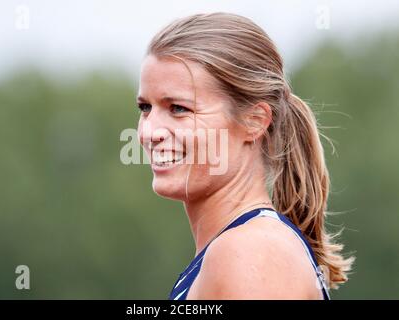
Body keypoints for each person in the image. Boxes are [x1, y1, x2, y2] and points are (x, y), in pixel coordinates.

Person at [136, 12, 354, 300]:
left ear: (254, 121)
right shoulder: (239, 249)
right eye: (145, 108)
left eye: (178, 108)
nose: (150, 132)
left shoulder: (251, 253)